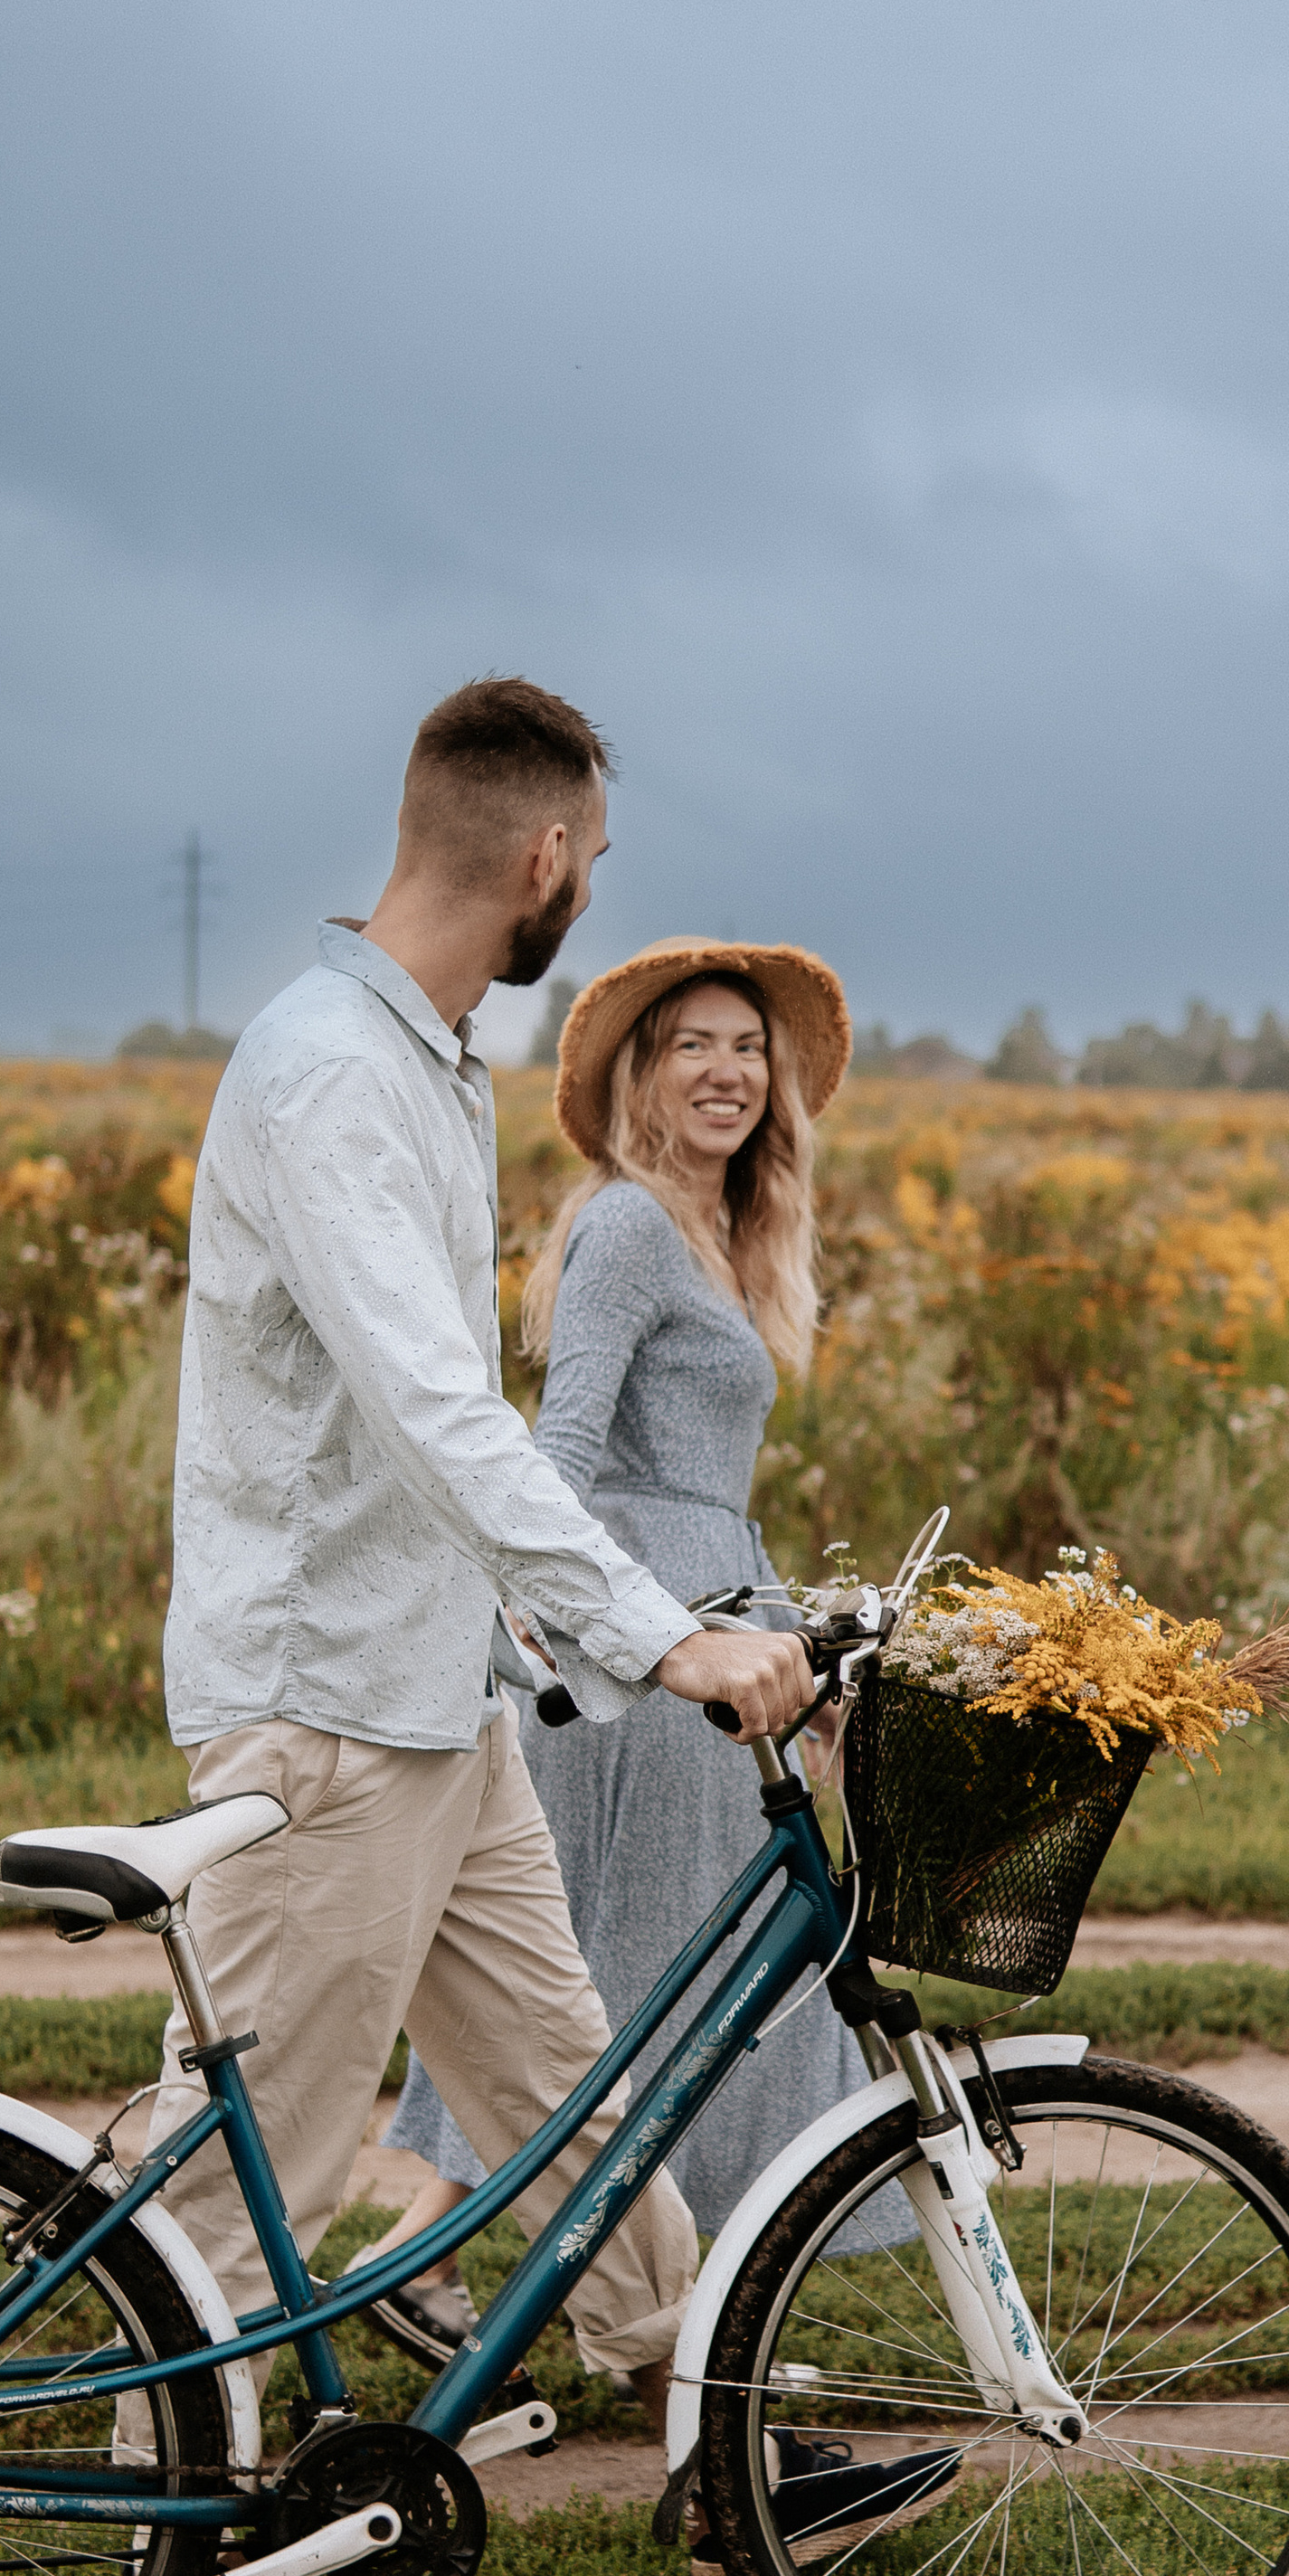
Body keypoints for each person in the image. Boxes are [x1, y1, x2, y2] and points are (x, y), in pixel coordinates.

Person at [137, 682, 816, 2529]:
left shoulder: (429, 1061)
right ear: (541, 858)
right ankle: (163, 2541)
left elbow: (453, 1429)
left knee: (568, 2097)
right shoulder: (331, 1074)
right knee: (240, 2162)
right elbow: (445, 1416)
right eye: (588, 864)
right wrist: (656, 1629)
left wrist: (542, 1632)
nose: (582, 889)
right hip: (328, 1712)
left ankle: (718, 2453)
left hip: (435, 1695)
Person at [366, 936, 895, 2339]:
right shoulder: (624, 1228)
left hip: (717, 1621)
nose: (728, 1072)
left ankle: (481, 2264)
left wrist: (787, 1637)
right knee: (632, 1974)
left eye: (747, 1049)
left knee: (653, 1971)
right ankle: (505, 2271)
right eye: (693, 1047)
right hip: (650, 1657)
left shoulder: (725, 1235)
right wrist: (604, 1637)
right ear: (641, 1078)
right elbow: (557, 1458)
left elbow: (708, 1492)